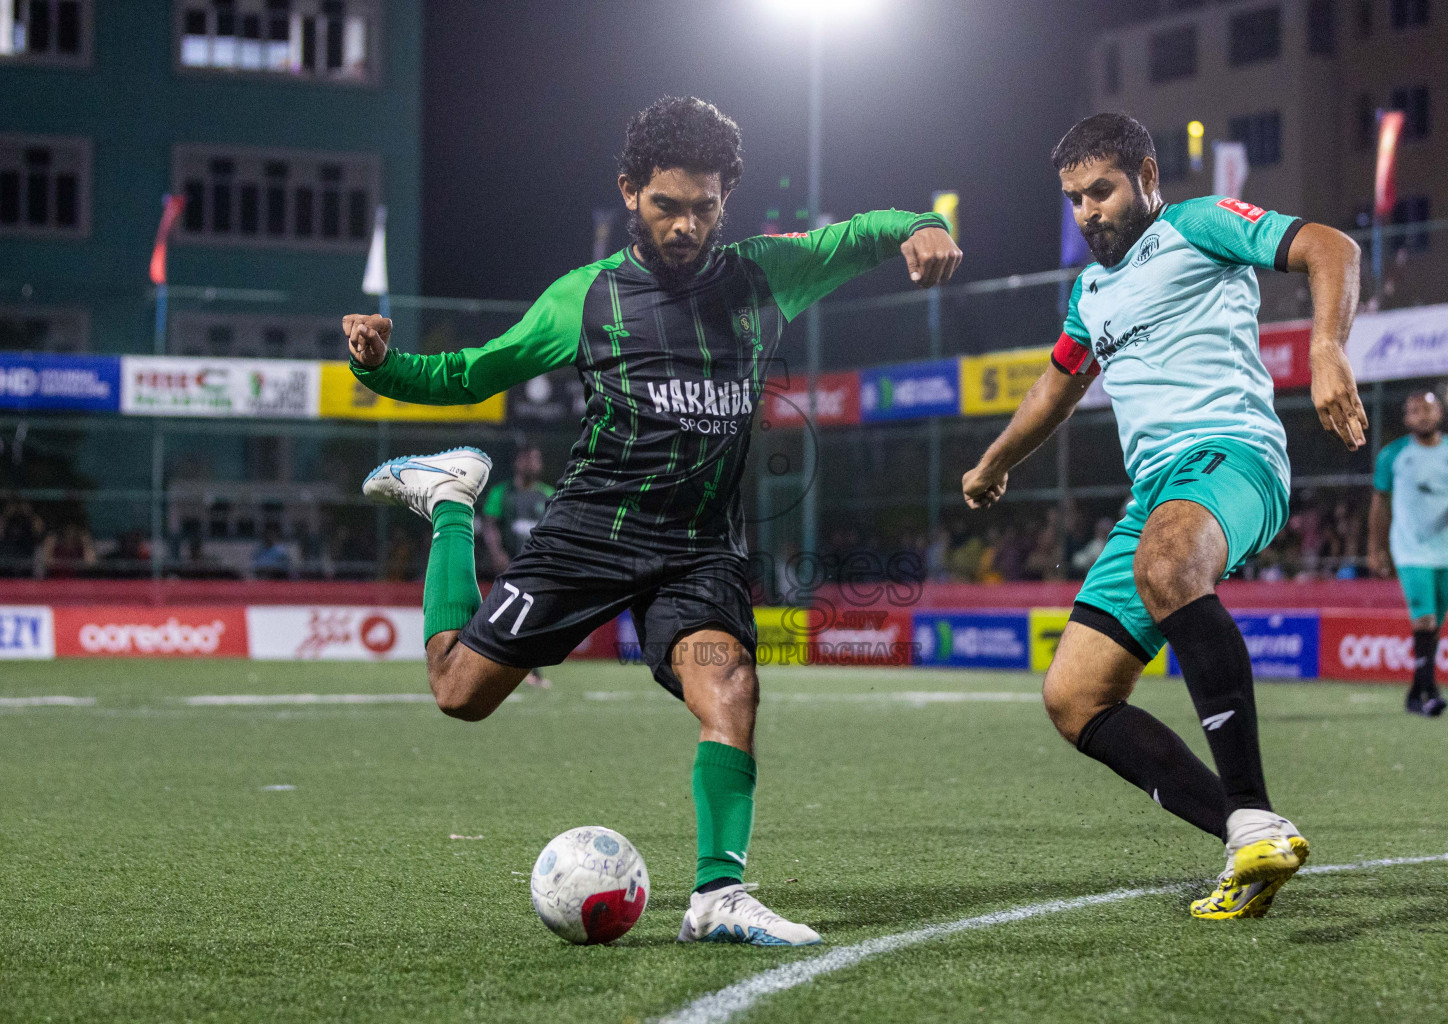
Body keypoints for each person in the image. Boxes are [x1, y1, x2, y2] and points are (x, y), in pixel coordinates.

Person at [342, 96, 961, 946]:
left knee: (731, 683)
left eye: (704, 207)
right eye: (667, 204)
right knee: (458, 692)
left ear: (724, 203)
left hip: (698, 551)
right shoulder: (585, 298)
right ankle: (450, 501)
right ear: (630, 191)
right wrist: (383, 364)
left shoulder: (762, 275)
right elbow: (470, 373)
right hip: (590, 533)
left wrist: (920, 224)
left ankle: (717, 896)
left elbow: (856, 235)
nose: (686, 225)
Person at [961, 113, 1366, 920]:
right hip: (1156, 495)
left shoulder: (1196, 224)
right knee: (1074, 696)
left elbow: (1332, 247)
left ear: (1147, 175)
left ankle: (1250, 810)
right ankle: (1251, 839)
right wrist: (996, 460)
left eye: (1100, 191)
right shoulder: (1091, 292)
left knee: (1167, 562)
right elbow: (1059, 384)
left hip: (1234, 456)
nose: (1087, 212)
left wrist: (1326, 347)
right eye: (1074, 199)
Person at [1368, 392, 1448, 716]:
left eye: (1427, 408)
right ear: (1407, 419)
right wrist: (1375, 548)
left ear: (1439, 412)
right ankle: (1431, 692)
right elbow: (1380, 503)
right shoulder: (1392, 455)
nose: (1422, 415)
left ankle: (1415, 693)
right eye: (1414, 410)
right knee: (1425, 620)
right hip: (1410, 548)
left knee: (1434, 628)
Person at [479, 446, 556, 688]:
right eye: (528, 459)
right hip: (509, 567)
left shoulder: (548, 494)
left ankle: (529, 672)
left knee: (533, 620)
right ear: (518, 462)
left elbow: (556, 531)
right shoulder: (502, 493)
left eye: (537, 459)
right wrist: (497, 553)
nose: (533, 464)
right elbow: (490, 524)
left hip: (537, 569)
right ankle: (497, 665)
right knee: (505, 616)